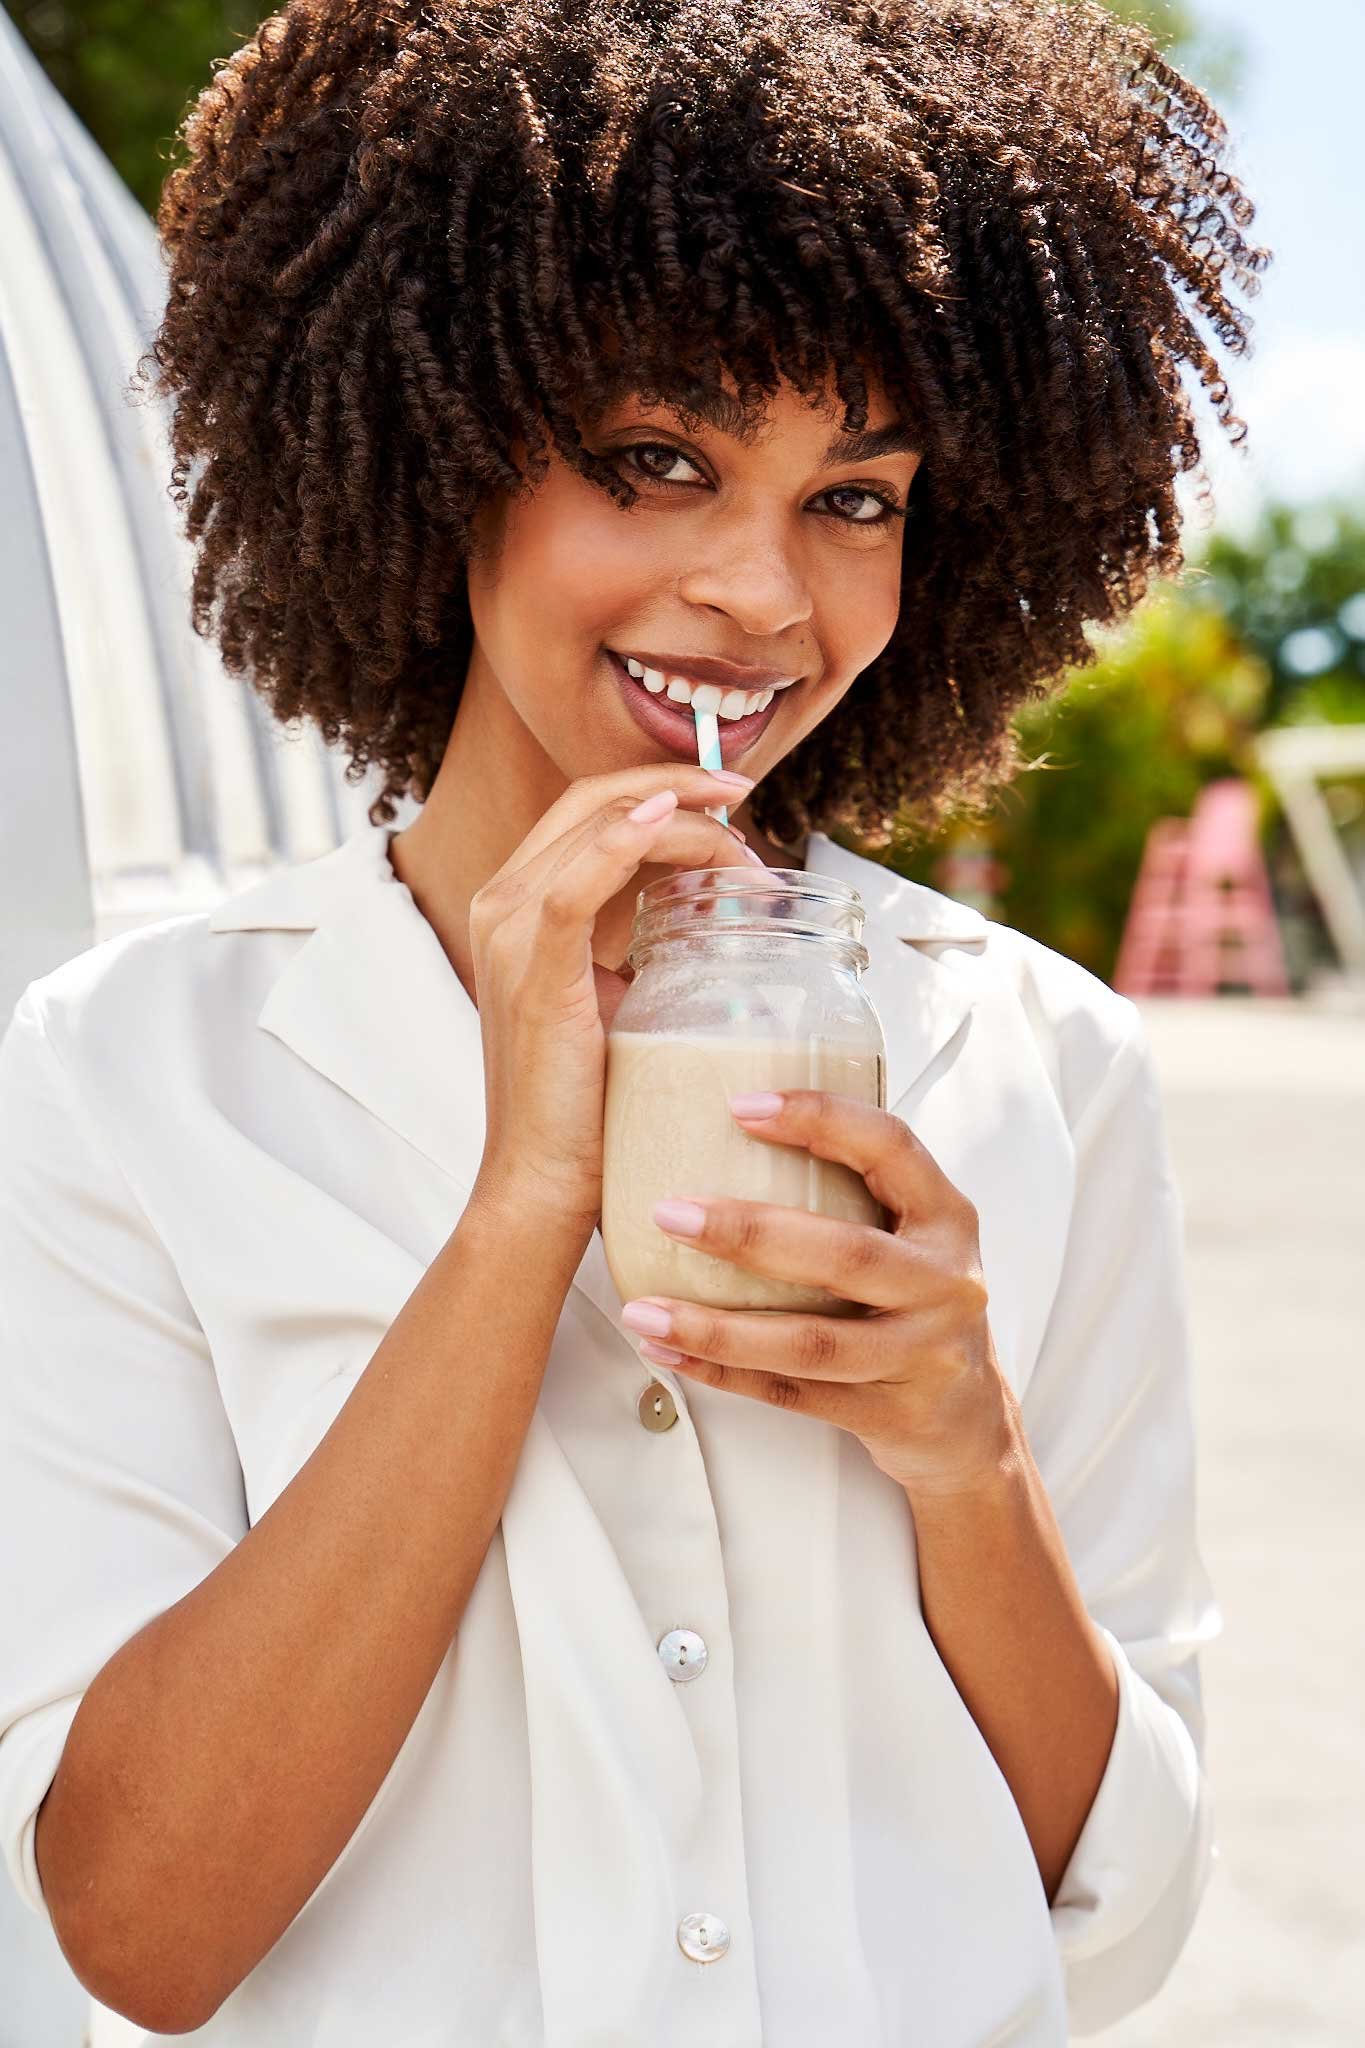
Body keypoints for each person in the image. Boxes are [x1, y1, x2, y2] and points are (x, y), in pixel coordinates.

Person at [0, 0, 1261, 2040]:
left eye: (853, 495)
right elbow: (132, 1932)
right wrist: (520, 1212)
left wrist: (964, 1463)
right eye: (651, 460)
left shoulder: (1039, 1069)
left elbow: (1101, 1926)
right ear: (440, 452)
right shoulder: (137, 1077)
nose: (762, 597)